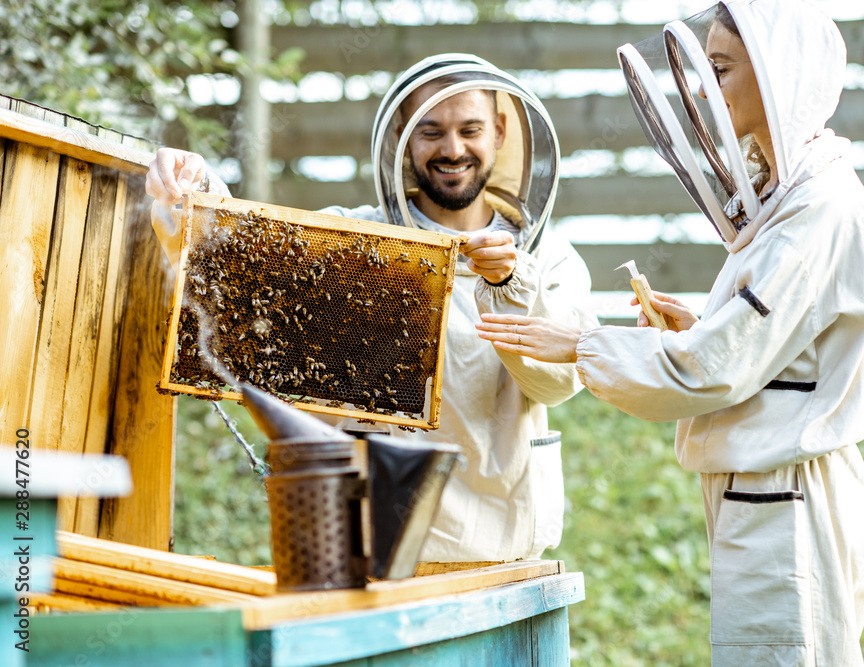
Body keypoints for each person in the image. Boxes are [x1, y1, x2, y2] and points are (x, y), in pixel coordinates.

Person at [477, 2, 864, 663]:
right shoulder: (795, 191)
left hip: (788, 498)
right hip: (766, 489)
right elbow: (778, 341)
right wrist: (704, 323)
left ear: (780, 73)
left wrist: (582, 345)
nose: (705, 84)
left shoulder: (820, 206)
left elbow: (715, 368)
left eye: (723, 67)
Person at [146, 54, 599, 563]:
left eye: (470, 129)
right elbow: (246, 272)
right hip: (365, 543)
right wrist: (195, 187)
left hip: (495, 551)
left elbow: (554, 382)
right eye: (431, 131)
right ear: (403, 135)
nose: (453, 149)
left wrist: (511, 282)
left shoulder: (553, 258)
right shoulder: (354, 239)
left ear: (498, 131)